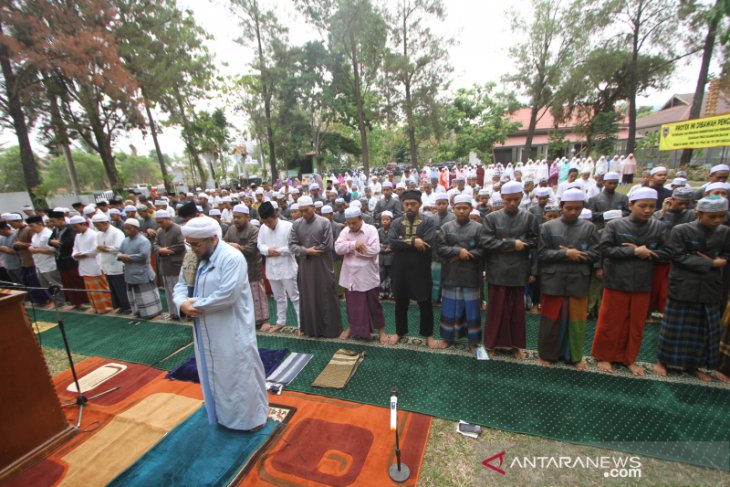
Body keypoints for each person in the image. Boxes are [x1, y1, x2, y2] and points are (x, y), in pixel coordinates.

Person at [173, 216, 269, 431]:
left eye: (196, 244)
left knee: (239, 373)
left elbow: (227, 295)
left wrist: (194, 305)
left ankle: (250, 420)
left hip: (230, 328)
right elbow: (180, 286)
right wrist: (181, 304)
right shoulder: (192, 257)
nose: (193, 248)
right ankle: (223, 416)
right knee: (213, 372)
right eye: (190, 243)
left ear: (212, 239)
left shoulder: (232, 258)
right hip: (204, 327)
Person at [653, 196, 730, 382]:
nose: (717, 221)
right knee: (674, 327)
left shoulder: (725, 232)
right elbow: (677, 256)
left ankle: (693, 366)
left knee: (702, 330)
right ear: (698, 214)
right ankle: (663, 361)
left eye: (721, 216)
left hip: (710, 287)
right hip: (684, 285)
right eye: (713, 217)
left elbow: (726, 254)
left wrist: (718, 261)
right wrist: (711, 262)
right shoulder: (682, 231)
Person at [591, 187, 667, 375]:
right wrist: (633, 251)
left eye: (652, 206)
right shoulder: (615, 226)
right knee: (611, 321)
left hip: (642, 282)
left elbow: (669, 253)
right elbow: (606, 250)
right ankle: (605, 356)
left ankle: (629, 358)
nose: (648, 210)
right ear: (630, 205)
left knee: (636, 324)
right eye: (643, 206)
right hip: (617, 280)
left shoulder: (659, 227)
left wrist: (649, 252)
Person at [536, 189, 600, 370]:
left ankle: (575, 356)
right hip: (553, 280)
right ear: (562, 206)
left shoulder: (589, 228)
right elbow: (541, 253)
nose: (573, 212)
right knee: (550, 320)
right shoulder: (548, 227)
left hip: (578, 280)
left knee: (577, 321)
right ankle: (547, 354)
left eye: (577, 209)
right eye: (569, 208)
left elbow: (597, 253)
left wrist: (579, 255)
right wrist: (565, 253)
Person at [482, 181, 539, 359]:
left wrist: (519, 245)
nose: (512, 203)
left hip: (518, 269)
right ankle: (491, 344)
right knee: (496, 309)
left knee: (516, 310)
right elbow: (486, 242)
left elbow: (536, 241)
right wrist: (512, 244)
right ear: (502, 198)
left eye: (516, 199)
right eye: (508, 200)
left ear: (522, 197)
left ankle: (515, 345)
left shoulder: (529, 217)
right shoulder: (492, 218)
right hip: (497, 269)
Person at [388, 190, 444, 348]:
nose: (410, 207)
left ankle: (428, 335)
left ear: (419, 205)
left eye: (413, 204)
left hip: (421, 268)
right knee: (400, 302)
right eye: (407, 204)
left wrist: (403, 241)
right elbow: (392, 242)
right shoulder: (396, 223)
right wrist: (414, 242)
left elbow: (428, 242)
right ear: (402, 205)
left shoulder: (428, 222)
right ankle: (400, 331)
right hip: (400, 269)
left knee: (425, 302)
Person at [436, 195, 485, 352]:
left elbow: (484, 249)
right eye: (459, 208)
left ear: (470, 209)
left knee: (471, 310)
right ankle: (448, 338)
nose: (462, 211)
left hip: (471, 274)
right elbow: (440, 249)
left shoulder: (479, 228)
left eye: (465, 208)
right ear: (454, 209)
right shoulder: (446, 228)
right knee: (449, 308)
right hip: (451, 274)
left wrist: (464, 255)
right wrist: (458, 251)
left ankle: (473, 341)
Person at [289, 196, 343, 338]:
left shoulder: (325, 222)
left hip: (323, 265)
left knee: (326, 295)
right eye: (301, 211)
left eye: (306, 210)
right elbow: (291, 245)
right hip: (306, 267)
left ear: (313, 207)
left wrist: (311, 250)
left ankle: (330, 330)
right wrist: (307, 251)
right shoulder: (296, 224)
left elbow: (328, 245)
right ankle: (311, 330)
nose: (303, 214)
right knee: (308, 296)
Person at [335, 206, 387, 343]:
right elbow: (338, 248)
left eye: (354, 223)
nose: (351, 226)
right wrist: (353, 245)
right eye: (349, 223)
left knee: (374, 305)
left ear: (361, 219)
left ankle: (381, 330)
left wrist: (352, 249)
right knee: (352, 306)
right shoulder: (345, 231)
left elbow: (374, 251)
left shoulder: (371, 230)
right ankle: (352, 328)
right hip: (350, 276)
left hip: (367, 276)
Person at [224, 204, 270, 329]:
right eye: (234, 217)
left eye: (239, 217)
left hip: (252, 269)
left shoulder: (254, 231)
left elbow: (251, 249)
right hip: (236, 270)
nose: (236, 219)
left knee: (257, 296)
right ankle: (246, 319)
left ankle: (264, 320)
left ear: (247, 217)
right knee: (242, 296)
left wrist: (237, 247)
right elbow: (223, 244)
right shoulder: (231, 229)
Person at [258, 201, 300, 332]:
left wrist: (279, 250)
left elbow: (294, 247)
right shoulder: (263, 228)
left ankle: (301, 324)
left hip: (287, 267)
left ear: (275, 215)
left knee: (295, 297)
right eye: (265, 222)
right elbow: (260, 245)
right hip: (272, 268)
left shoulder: (288, 226)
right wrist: (267, 251)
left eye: (269, 222)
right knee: (278, 297)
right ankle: (280, 321)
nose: (267, 225)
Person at [118, 218, 162, 320]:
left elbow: (143, 255)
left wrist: (127, 257)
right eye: (125, 229)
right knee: (134, 295)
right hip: (130, 272)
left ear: (136, 228)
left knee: (146, 295)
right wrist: (120, 256)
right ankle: (138, 312)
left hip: (142, 272)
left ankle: (151, 313)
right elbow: (119, 252)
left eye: (128, 228)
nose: (126, 231)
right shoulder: (125, 241)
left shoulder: (143, 240)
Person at [71, 215, 113, 313]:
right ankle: (96, 307)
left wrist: (82, 254)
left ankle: (107, 307)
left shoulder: (94, 234)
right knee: (91, 290)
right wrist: (75, 255)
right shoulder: (77, 236)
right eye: (73, 227)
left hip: (95, 265)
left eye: (76, 227)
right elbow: (74, 249)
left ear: (84, 224)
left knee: (100, 288)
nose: (74, 229)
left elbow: (96, 250)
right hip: (84, 266)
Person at [91, 212, 130, 313]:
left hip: (116, 264)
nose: (97, 228)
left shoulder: (117, 232)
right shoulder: (99, 234)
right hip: (106, 264)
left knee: (121, 287)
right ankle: (120, 306)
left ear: (105, 223)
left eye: (98, 225)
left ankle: (127, 306)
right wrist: (102, 248)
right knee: (113, 287)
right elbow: (98, 246)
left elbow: (119, 248)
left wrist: (105, 249)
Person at [27, 216, 65, 308]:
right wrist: (31, 248)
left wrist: (37, 250)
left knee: (56, 285)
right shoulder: (35, 235)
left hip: (49, 264)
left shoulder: (48, 234)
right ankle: (54, 301)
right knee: (46, 285)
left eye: (32, 225)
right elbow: (33, 246)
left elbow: (53, 250)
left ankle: (60, 303)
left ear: (40, 224)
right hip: (39, 264)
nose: (31, 228)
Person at [154, 210, 185, 320]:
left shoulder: (178, 229)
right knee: (168, 291)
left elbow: (182, 245)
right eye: (158, 222)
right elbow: (155, 244)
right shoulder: (159, 231)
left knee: (178, 291)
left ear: (168, 219)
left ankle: (182, 313)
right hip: (165, 266)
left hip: (176, 266)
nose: (160, 224)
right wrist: (160, 249)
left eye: (161, 222)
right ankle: (173, 313)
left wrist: (168, 250)